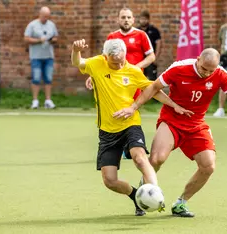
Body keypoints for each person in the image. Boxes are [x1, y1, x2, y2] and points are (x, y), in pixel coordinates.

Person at [114, 48, 227, 217]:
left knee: (208, 166)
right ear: (198, 59)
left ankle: (180, 203)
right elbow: (154, 87)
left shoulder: (221, 74)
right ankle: (143, 195)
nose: (206, 73)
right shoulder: (179, 68)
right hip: (172, 120)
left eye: (211, 70)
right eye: (203, 68)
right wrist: (133, 107)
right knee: (156, 159)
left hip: (196, 124)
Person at [71, 38, 192, 216]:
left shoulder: (133, 71)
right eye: (114, 62)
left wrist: (173, 105)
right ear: (105, 57)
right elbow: (78, 62)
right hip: (107, 131)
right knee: (110, 180)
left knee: (140, 158)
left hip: (130, 124)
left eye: (121, 61)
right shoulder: (97, 64)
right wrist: (76, 50)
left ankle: (155, 193)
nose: (119, 65)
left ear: (125, 56)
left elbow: (153, 90)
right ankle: (136, 197)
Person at [86, 7, 155, 91]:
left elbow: (151, 56)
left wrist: (137, 67)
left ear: (133, 20)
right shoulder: (112, 36)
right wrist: (93, 75)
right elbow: (104, 58)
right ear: (118, 20)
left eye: (129, 17)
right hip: (116, 78)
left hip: (134, 77)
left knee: (133, 103)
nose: (126, 20)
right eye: (123, 17)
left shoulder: (141, 35)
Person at [24, 6, 58, 109]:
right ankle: (35, 101)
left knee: (48, 78)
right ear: (40, 15)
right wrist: (39, 40)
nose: (46, 18)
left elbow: (56, 37)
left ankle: (48, 101)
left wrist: (52, 40)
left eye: (48, 16)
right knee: (36, 78)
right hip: (36, 57)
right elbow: (26, 38)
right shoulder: (32, 25)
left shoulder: (51, 25)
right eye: (44, 16)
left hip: (48, 56)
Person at [138, 10, 162, 81]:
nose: (143, 21)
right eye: (142, 19)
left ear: (148, 19)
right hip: (140, 59)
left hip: (150, 58)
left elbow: (159, 44)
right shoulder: (137, 31)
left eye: (145, 19)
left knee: (151, 80)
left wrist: (155, 57)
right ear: (139, 19)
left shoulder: (154, 31)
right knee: (139, 79)